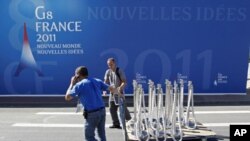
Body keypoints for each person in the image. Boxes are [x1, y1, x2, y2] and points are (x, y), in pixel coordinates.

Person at [65, 66, 116, 141]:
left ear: (78, 75)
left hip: (92, 113)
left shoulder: (79, 85)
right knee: (102, 134)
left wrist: (71, 84)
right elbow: (111, 89)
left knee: (89, 137)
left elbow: (67, 97)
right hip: (102, 111)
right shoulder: (97, 80)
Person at [104, 58, 131, 129]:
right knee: (111, 109)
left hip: (119, 92)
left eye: (111, 64)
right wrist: (104, 89)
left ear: (114, 63)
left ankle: (129, 121)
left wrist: (120, 87)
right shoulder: (108, 72)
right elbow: (105, 82)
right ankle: (116, 123)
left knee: (123, 108)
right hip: (112, 93)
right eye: (108, 65)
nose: (110, 66)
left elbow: (124, 81)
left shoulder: (119, 70)